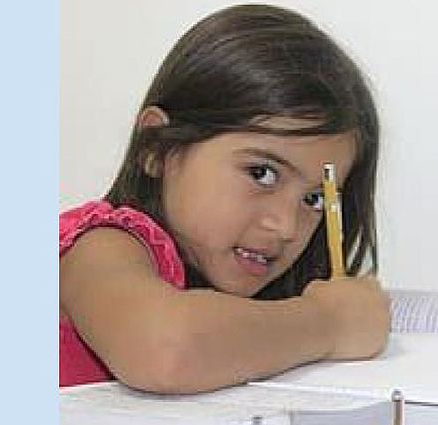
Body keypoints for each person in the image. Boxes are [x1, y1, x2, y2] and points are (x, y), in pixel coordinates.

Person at [59, 4, 389, 394]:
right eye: (262, 173)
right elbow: (166, 351)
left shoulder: (239, 316)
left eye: (315, 199)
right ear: (157, 147)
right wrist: (329, 322)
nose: (285, 226)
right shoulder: (99, 245)